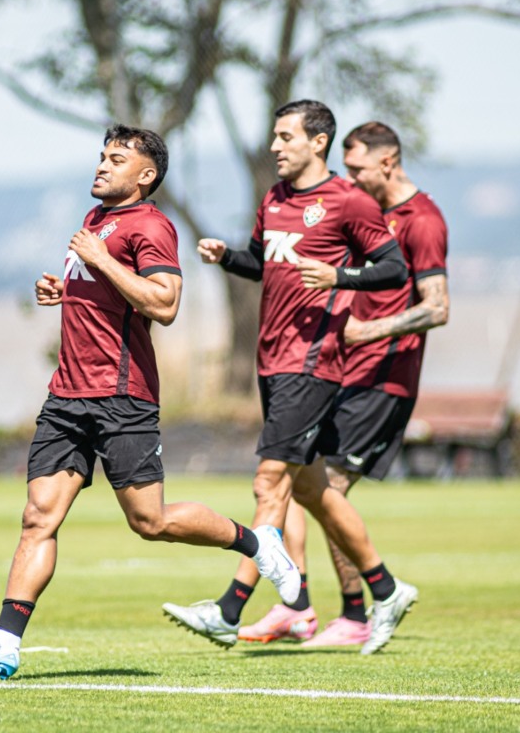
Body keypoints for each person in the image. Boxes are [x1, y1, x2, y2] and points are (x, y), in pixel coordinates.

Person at [0, 125, 300, 680]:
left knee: (150, 522)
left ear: (146, 175)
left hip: (121, 396)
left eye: (117, 159)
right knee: (38, 517)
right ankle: (5, 642)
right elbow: (111, 292)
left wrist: (101, 263)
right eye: (102, 155)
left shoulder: (152, 226)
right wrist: (68, 289)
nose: (102, 165)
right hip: (66, 396)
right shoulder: (95, 222)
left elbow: (165, 302)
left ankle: (259, 543)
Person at [161, 101, 410, 650]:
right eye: (274, 137)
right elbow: (261, 260)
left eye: (285, 136)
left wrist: (340, 275)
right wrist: (227, 256)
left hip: (313, 362)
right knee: (314, 490)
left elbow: (395, 268)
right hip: (272, 362)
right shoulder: (273, 198)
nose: (275, 146)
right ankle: (386, 590)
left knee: (268, 481)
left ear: (317, 142)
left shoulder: (348, 201)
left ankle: (230, 609)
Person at [237, 121, 448, 653]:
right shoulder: (351, 208)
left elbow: (437, 307)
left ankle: (350, 607)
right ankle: (307, 605)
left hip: (383, 374)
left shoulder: (420, 220)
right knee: (304, 482)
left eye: (356, 169)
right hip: (337, 369)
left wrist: (365, 331)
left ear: (388, 161)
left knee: (317, 483)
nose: (349, 178)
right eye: (345, 169)